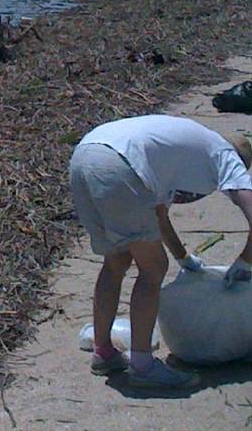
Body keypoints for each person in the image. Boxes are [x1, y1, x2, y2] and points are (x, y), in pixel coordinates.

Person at [69, 115, 252, 389]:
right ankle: (143, 367)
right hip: (119, 164)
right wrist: (246, 261)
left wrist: (184, 259)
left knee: (117, 260)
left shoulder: (180, 153)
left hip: (86, 155)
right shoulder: (226, 156)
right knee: (153, 268)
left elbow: (158, 216)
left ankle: (104, 352)